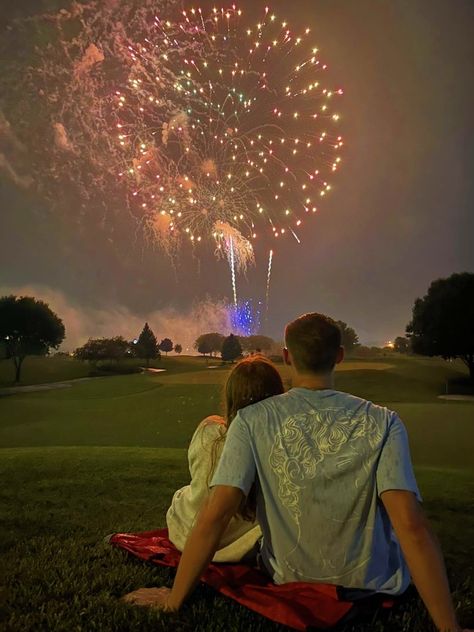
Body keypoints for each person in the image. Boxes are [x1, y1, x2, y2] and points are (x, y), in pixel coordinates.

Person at [124, 313, 471, 632]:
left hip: (288, 579)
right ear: (340, 356)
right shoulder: (384, 422)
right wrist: (449, 628)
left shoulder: (250, 420)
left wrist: (174, 600)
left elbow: (216, 515)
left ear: (287, 357)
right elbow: (410, 524)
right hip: (370, 584)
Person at [166, 355, 284, 562]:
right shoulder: (279, 446)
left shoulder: (209, 430)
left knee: (184, 493)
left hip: (186, 534)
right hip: (237, 544)